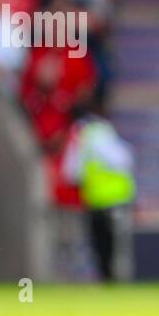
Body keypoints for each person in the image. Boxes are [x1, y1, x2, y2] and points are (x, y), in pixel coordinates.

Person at [61, 103, 136, 282]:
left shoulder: (87, 137)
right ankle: (117, 283)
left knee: (103, 247)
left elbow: (71, 172)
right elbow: (125, 159)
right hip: (114, 201)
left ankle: (109, 281)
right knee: (114, 248)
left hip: (100, 201)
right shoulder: (103, 133)